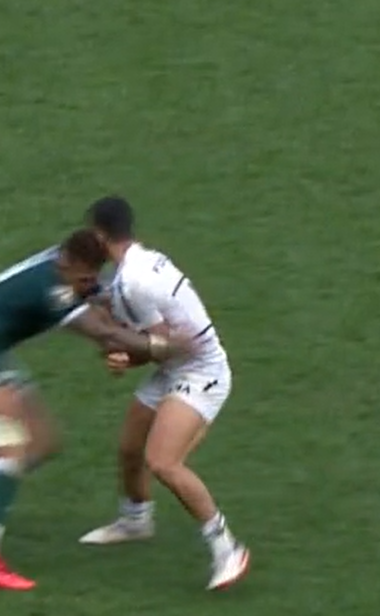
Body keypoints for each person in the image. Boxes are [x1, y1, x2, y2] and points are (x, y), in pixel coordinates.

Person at [0, 228, 195, 591]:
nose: (88, 285)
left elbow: (100, 302)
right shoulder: (52, 289)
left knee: (41, 443)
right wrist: (164, 347)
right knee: (9, 449)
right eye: (84, 278)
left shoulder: (62, 265)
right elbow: (103, 334)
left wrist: (125, 321)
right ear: (67, 262)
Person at [77, 196, 250, 591]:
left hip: (201, 372)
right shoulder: (140, 263)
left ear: (101, 236)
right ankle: (135, 521)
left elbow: (162, 347)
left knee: (163, 461)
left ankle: (228, 548)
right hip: (178, 366)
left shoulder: (133, 283)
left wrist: (125, 358)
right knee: (129, 448)